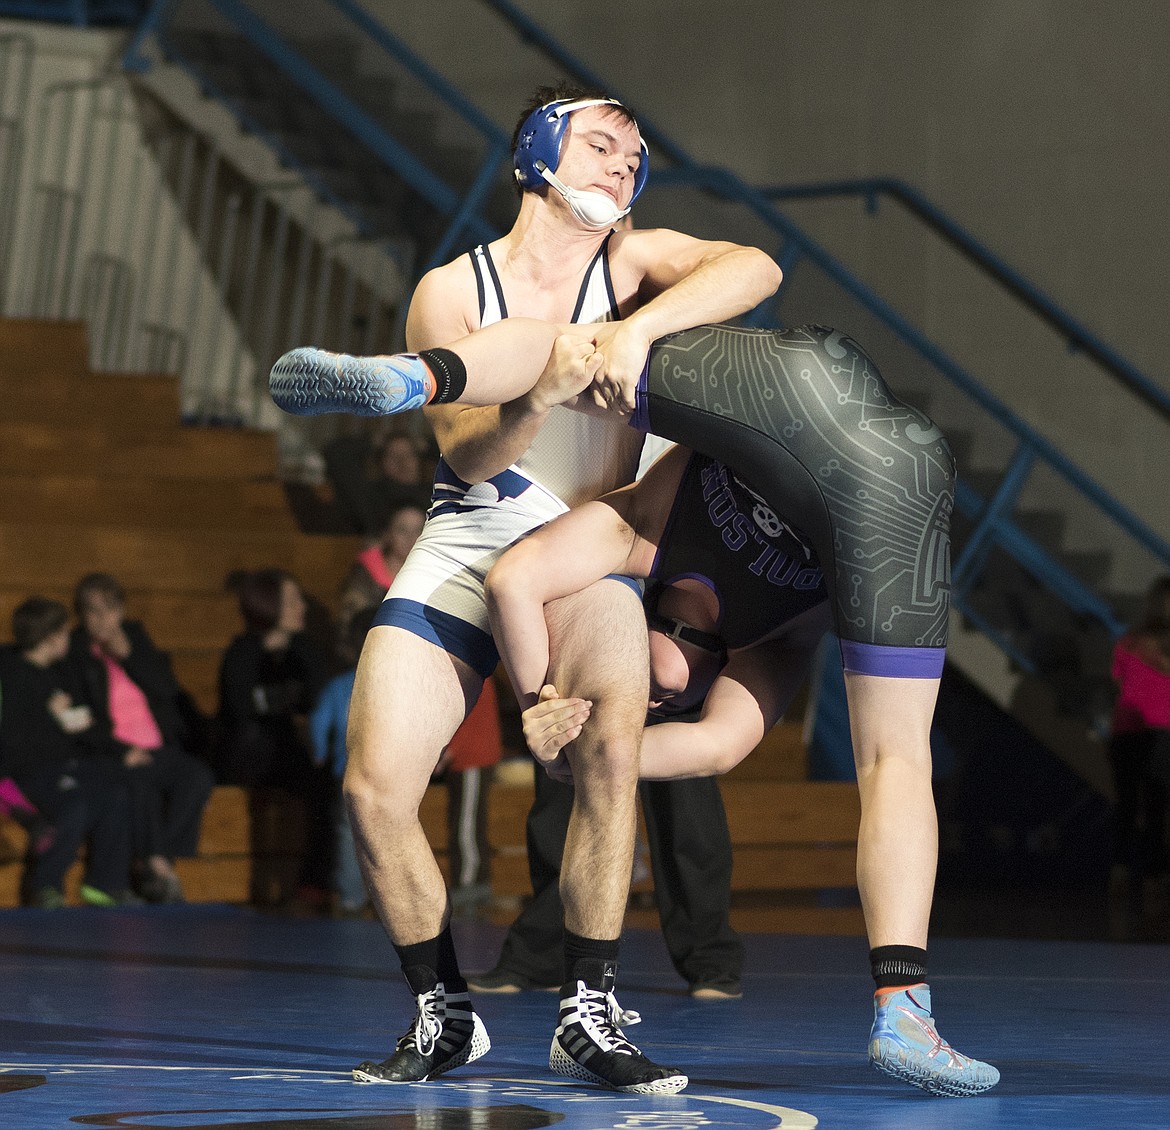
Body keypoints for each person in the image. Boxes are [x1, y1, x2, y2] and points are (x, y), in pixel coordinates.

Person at [270, 84, 781, 1092]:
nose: (623, 167)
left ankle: (587, 1008)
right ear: (538, 155)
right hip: (472, 527)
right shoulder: (451, 286)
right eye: (601, 145)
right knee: (373, 789)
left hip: (591, 534)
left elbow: (756, 265)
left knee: (608, 746)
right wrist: (545, 390)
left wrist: (636, 333)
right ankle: (442, 1013)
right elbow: (465, 460)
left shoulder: (630, 265)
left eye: (635, 158)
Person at [485, 435, 999, 1097]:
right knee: (894, 757)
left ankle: (421, 373)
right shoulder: (772, 644)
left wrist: (541, 707)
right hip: (886, 508)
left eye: (646, 698)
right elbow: (717, 746)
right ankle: (902, 1006)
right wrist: (582, 756)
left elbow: (512, 579)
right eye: (664, 702)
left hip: (799, 430)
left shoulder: (638, 528)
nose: (655, 697)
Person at [66, 573, 215, 903]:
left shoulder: (136, 638)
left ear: (121, 611)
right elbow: (80, 718)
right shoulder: (77, 652)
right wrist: (121, 750)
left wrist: (130, 655)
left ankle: (158, 859)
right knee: (139, 783)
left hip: (159, 747)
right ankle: (159, 870)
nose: (103, 620)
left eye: (110, 609)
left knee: (197, 777)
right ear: (82, 616)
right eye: (93, 611)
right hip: (114, 752)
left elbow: (167, 689)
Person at [0, 597, 135, 907]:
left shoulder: (56, 673)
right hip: (28, 770)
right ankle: (45, 885)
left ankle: (105, 884)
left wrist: (68, 719)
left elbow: (72, 725)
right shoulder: (12, 673)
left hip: (64, 764)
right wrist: (49, 716)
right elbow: (15, 738)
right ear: (50, 637)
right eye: (63, 633)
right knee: (74, 803)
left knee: (114, 791)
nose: (68, 640)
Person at [218, 569, 332, 904]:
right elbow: (239, 715)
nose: (302, 608)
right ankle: (264, 885)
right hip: (252, 754)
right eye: (293, 601)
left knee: (328, 781)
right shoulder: (242, 653)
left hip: (290, 751)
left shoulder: (307, 651)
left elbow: (319, 701)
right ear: (270, 606)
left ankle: (314, 882)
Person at [1107, 575, 1170, 915]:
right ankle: (1149, 879)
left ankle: (1132, 876)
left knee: (1135, 806)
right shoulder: (1133, 642)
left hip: (1133, 732)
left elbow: (1119, 680)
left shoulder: (1129, 641)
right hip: (1148, 732)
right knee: (1147, 807)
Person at [336, 503, 427, 646]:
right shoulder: (364, 578)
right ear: (387, 534)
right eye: (402, 530)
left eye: (419, 530)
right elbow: (350, 633)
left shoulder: (432, 573)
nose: (411, 538)